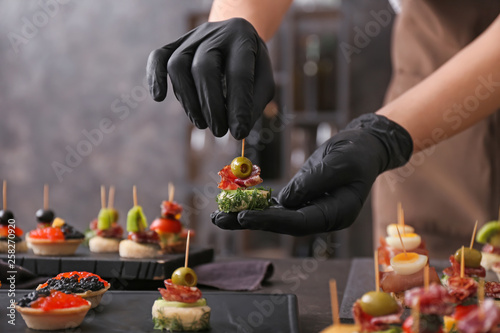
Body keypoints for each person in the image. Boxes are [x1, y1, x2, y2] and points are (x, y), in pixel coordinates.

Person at [146, 0, 500, 257]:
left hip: (412, 120)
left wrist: (387, 136)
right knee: (422, 288)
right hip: (427, 101)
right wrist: (238, 21)